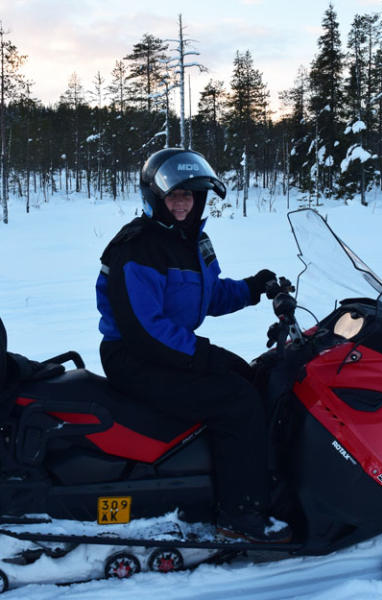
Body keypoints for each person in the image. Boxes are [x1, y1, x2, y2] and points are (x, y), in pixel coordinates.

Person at [95, 148, 291, 543]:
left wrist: (253, 288)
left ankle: (256, 483)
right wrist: (202, 355)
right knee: (237, 402)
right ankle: (240, 516)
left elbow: (206, 296)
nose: (183, 203)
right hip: (136, 358)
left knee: (254, 378)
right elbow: (144, 330)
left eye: (190, 195)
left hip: (166, 350)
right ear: (155, 198)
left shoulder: (190, 240)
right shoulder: (138, 248)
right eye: (174, 196)